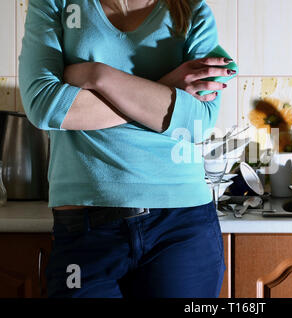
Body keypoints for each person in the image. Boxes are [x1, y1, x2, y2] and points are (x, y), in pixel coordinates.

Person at [19, 0, 234, 298]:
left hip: (181, 225)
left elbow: (198, 119)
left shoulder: (192, 9)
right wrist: (165, 88)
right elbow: (45, 106)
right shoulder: (55, 3)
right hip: (85, 230)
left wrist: (98, 76)